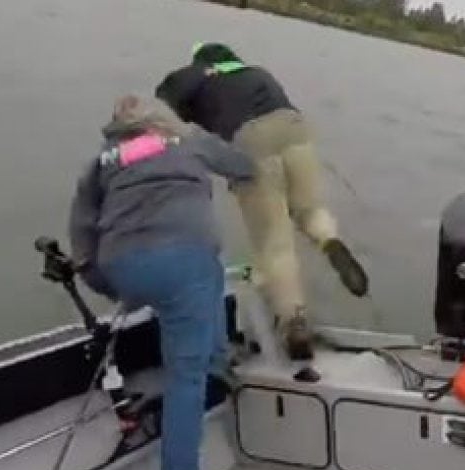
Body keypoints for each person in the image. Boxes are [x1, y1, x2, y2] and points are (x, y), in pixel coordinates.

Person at [69, 95, 255, 470]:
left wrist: (106, 283)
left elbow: (81, 232)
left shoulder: (101, 161)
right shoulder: (183, 139)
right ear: (160, 121)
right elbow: (244, 165)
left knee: (204, 277)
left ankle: (213, 361)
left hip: (123, 268)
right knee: (184, 376)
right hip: (183, 263)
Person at [156, 42, 368, 361]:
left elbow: (165, 93)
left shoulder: (201, 75)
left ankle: (293, 322)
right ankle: (329, 239)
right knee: (309, 210)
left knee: (275, 244)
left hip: (251, 139)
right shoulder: (257, 73)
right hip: (295, 127)